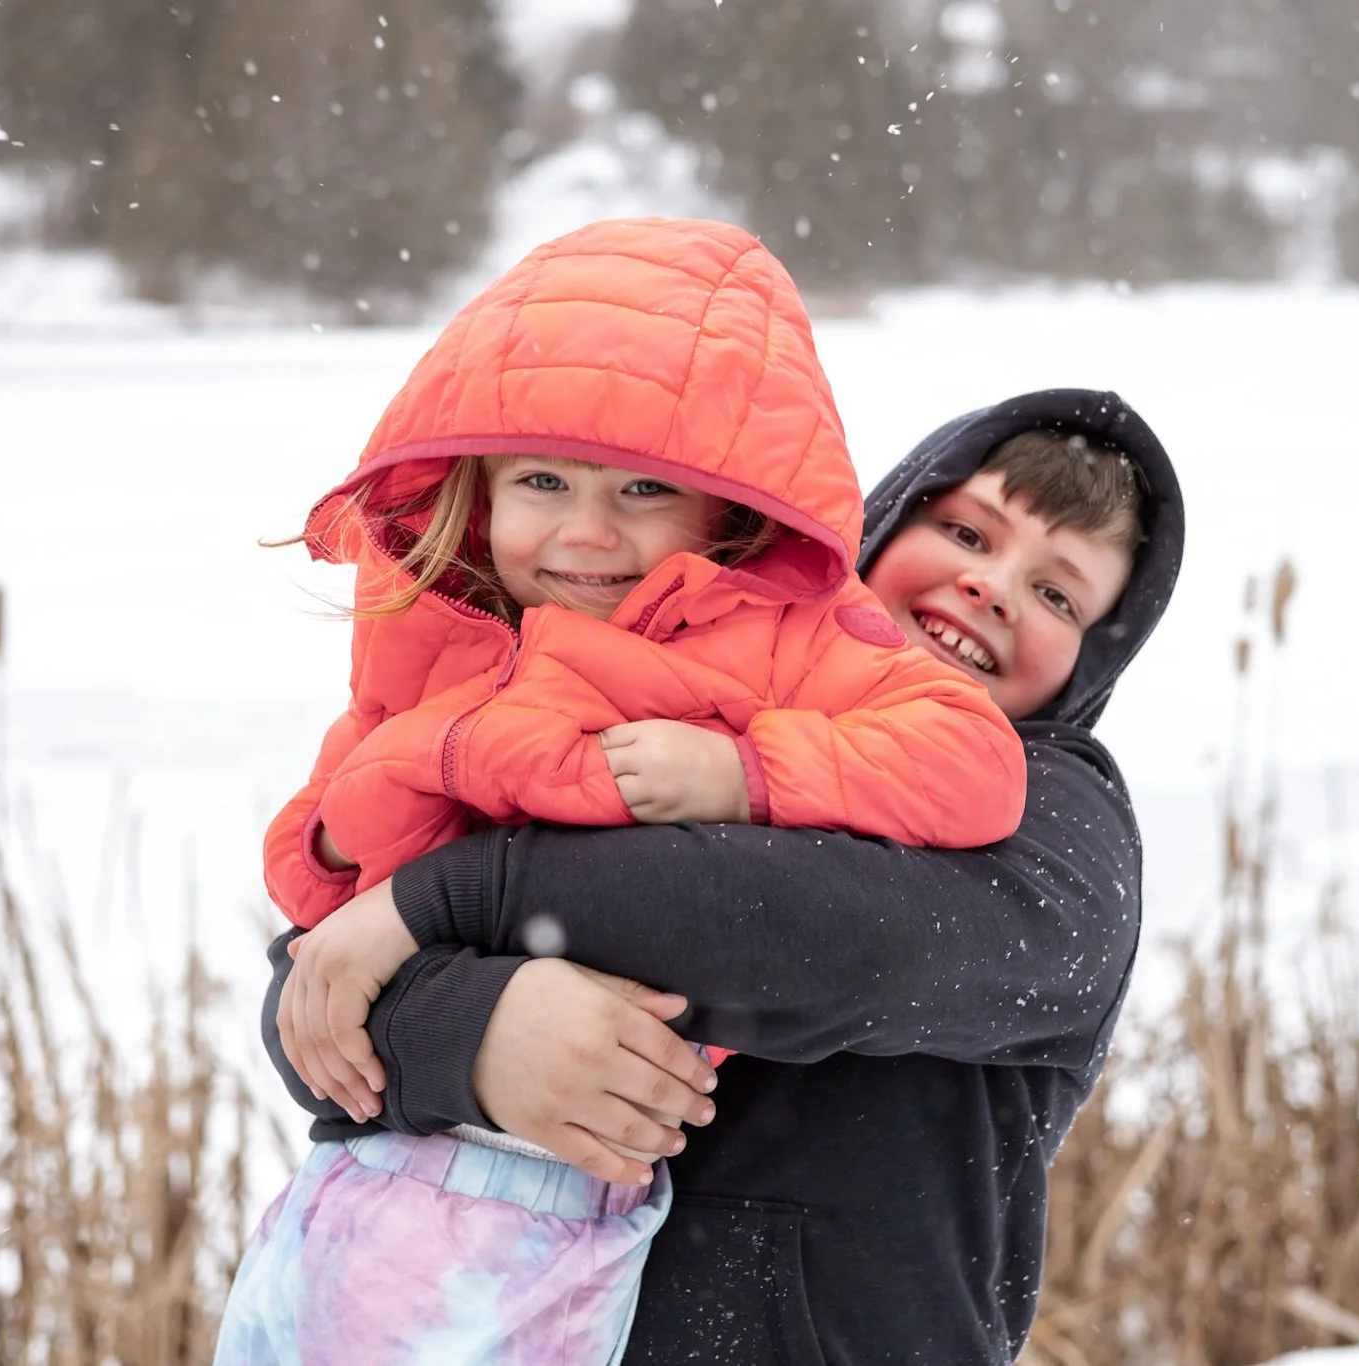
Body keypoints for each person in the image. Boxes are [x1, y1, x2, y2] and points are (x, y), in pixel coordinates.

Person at [218, 216, 1030, 1365]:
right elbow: (320, 870)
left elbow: (974, 761)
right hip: (361, 1179)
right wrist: (356, 891)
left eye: (646, 488)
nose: (588, 533)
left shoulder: (776, 645)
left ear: (729, 507)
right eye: (542, 480)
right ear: (479, 491)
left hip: (556, 1204)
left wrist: (745, 773)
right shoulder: (435, 638)